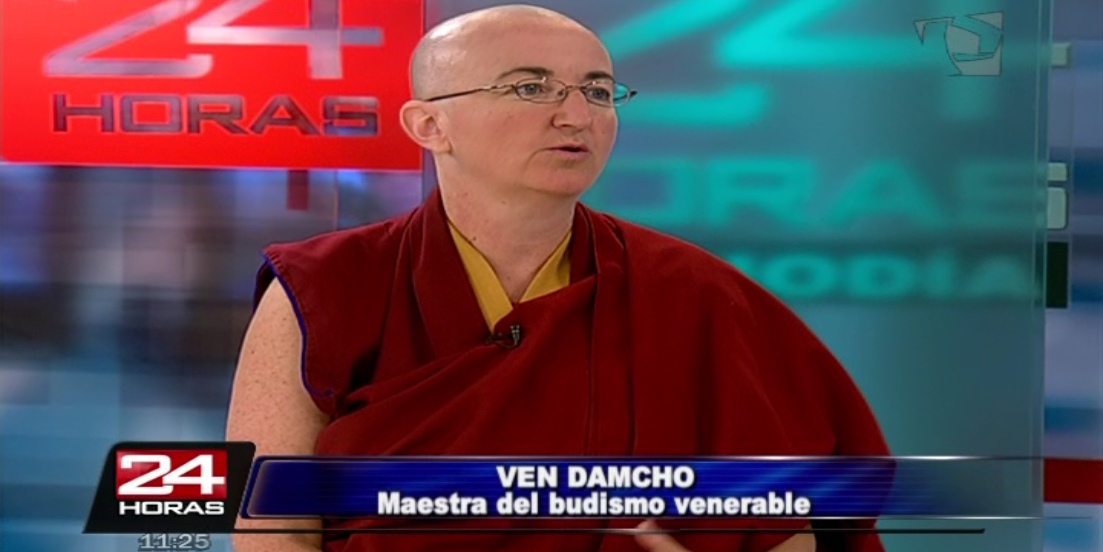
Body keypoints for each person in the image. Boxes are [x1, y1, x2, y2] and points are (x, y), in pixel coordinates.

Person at [226, 4, 889, 552]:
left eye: (597, 92)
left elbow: (784, 528)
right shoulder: (324, 287)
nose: (576, 115)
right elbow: (268, 527)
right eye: (530, 87)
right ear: (429, 125)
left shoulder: (693, 291)